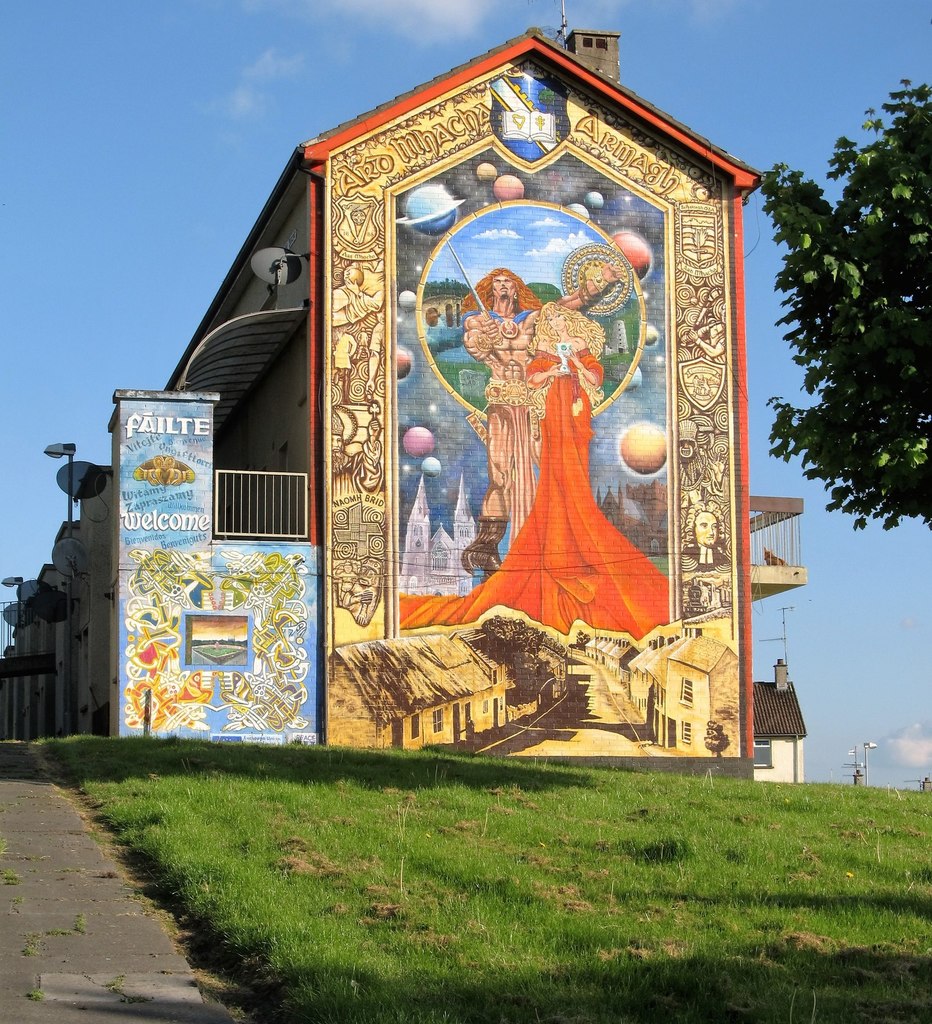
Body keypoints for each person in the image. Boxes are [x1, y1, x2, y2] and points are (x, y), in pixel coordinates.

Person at [401, 304, 668, 639]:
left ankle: (572, 541)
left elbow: (593, 378)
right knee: (507, 476)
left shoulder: (579, 348)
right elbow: (533, 376)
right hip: (544, 413)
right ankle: (496, 543)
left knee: (568, 483)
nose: (552, 323)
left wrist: (574, 367)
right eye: (550, 320)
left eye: (556, 319)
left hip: (574, 417)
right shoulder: (535, 350)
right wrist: (553, 371)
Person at [459, 262, 624, 573]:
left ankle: (558, 542)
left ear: (517, 287)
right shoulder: (478, 321)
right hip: (501, 403)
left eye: (510, 281)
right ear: (490, 289)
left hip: (534, 404)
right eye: (498, 282)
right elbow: (473, 346)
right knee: (500, 475)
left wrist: (601, 280)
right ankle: (487, 546)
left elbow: (566, 304)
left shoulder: (532, 320)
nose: (504, 285)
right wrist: (484, 338)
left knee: (549, 467)